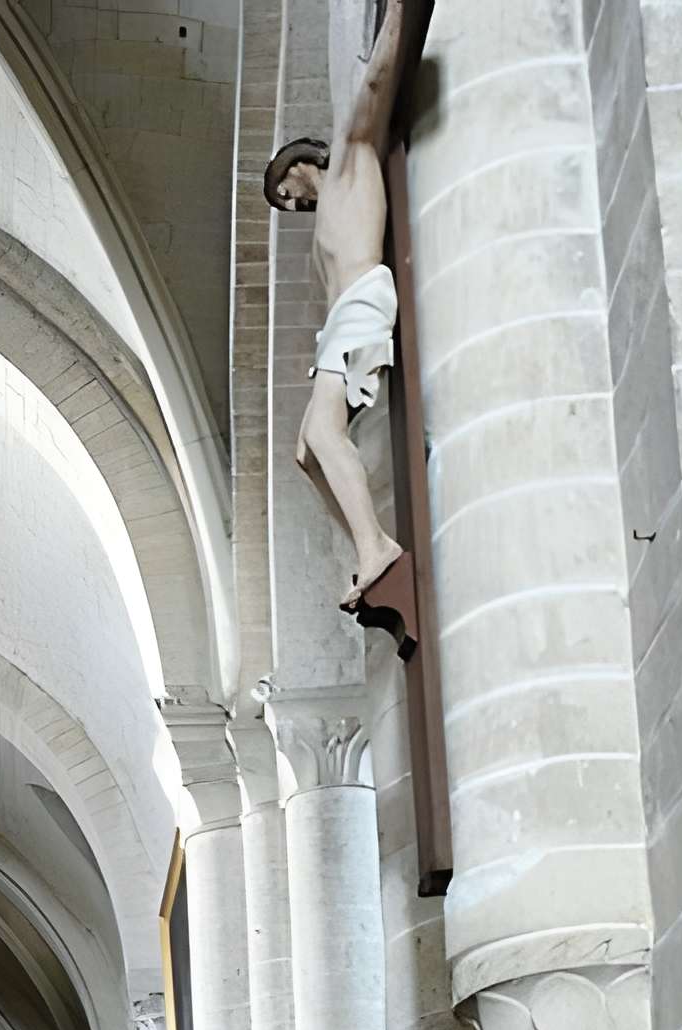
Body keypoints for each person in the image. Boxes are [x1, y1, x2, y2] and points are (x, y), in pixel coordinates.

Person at [265, 0, 407, 612]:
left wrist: (399, 12)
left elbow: (376, 81)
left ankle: (377, 549)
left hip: (361, 303)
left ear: (299, 164)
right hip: (341, 325)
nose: (287, 203)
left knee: (323, 431)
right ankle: (369, 546)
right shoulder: (326, 215)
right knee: (304, 452)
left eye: (283, 191)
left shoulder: (350, 160)